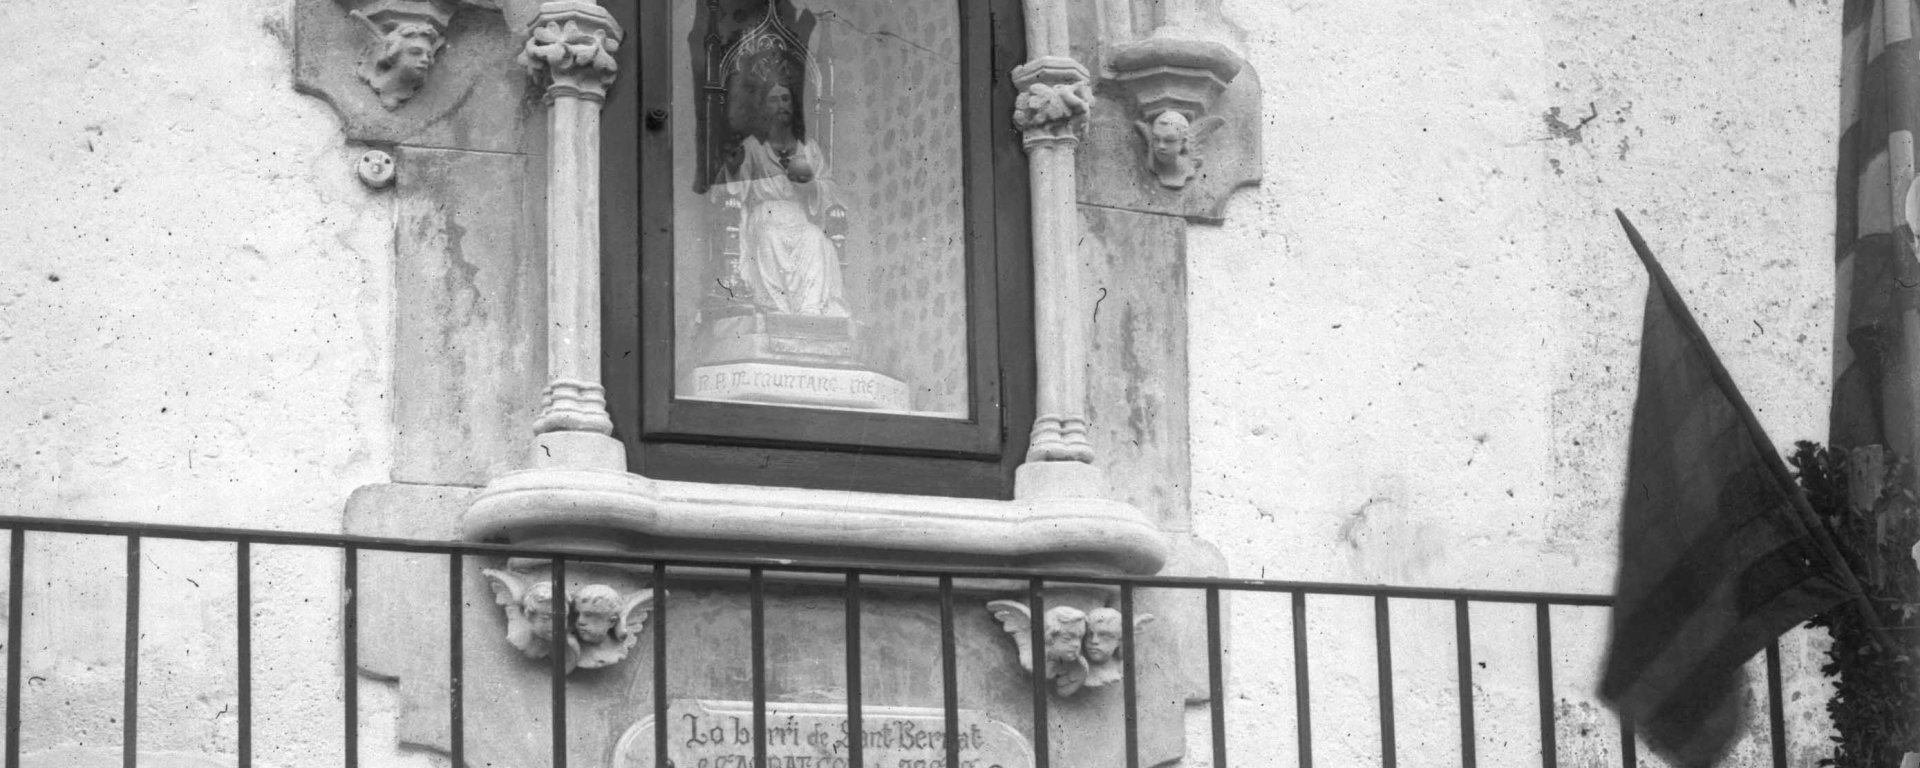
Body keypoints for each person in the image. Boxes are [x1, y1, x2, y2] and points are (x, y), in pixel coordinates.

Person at [718, 82, 850, 317]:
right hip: (766, 216)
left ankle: (809, 311)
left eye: (786, 99)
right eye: (774, 100)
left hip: (798, 217)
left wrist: (810, 186)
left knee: (815, 239)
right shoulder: (753, 147)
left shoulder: (808, 149)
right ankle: (775, 307)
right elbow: (733, 185)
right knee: (770, 235)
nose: (781, 105)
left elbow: (829, 187)